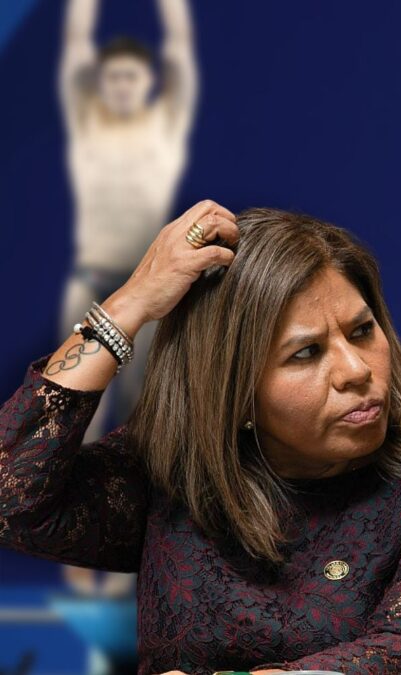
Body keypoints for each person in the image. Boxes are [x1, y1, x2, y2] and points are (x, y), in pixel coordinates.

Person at [0, 200, 401, 674]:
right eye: (306, 353)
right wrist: (128, 306)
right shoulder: (173, 472)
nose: (356, 370)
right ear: (235, 392)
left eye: (361, 331)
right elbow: (11, 500)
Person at [57, 0, 199, 598]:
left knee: (151, 424)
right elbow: (75, 44)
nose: (120, 85)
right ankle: (72, 555)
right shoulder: (87, 124)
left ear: (149, 83)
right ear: (100, 83)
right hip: (91, 287)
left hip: (154, 296)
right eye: (111, 76)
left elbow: (181, 50)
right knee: (73, 418)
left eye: (131, 77)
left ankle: (138, 560)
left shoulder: (165, 125)